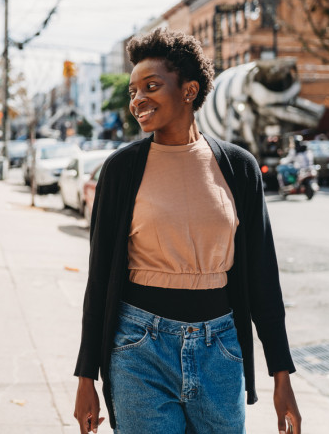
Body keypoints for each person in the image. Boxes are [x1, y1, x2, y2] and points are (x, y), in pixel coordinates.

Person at [73, 29, 301, 434]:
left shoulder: (238, 167)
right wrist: (86, 376)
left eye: (151, 86)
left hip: (221, 350)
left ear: (190, 90)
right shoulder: (121, 170)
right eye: (132, 91)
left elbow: (263, 276)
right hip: (139, 349)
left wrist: (281, 374)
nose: (137, 99)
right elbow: (100, 277)